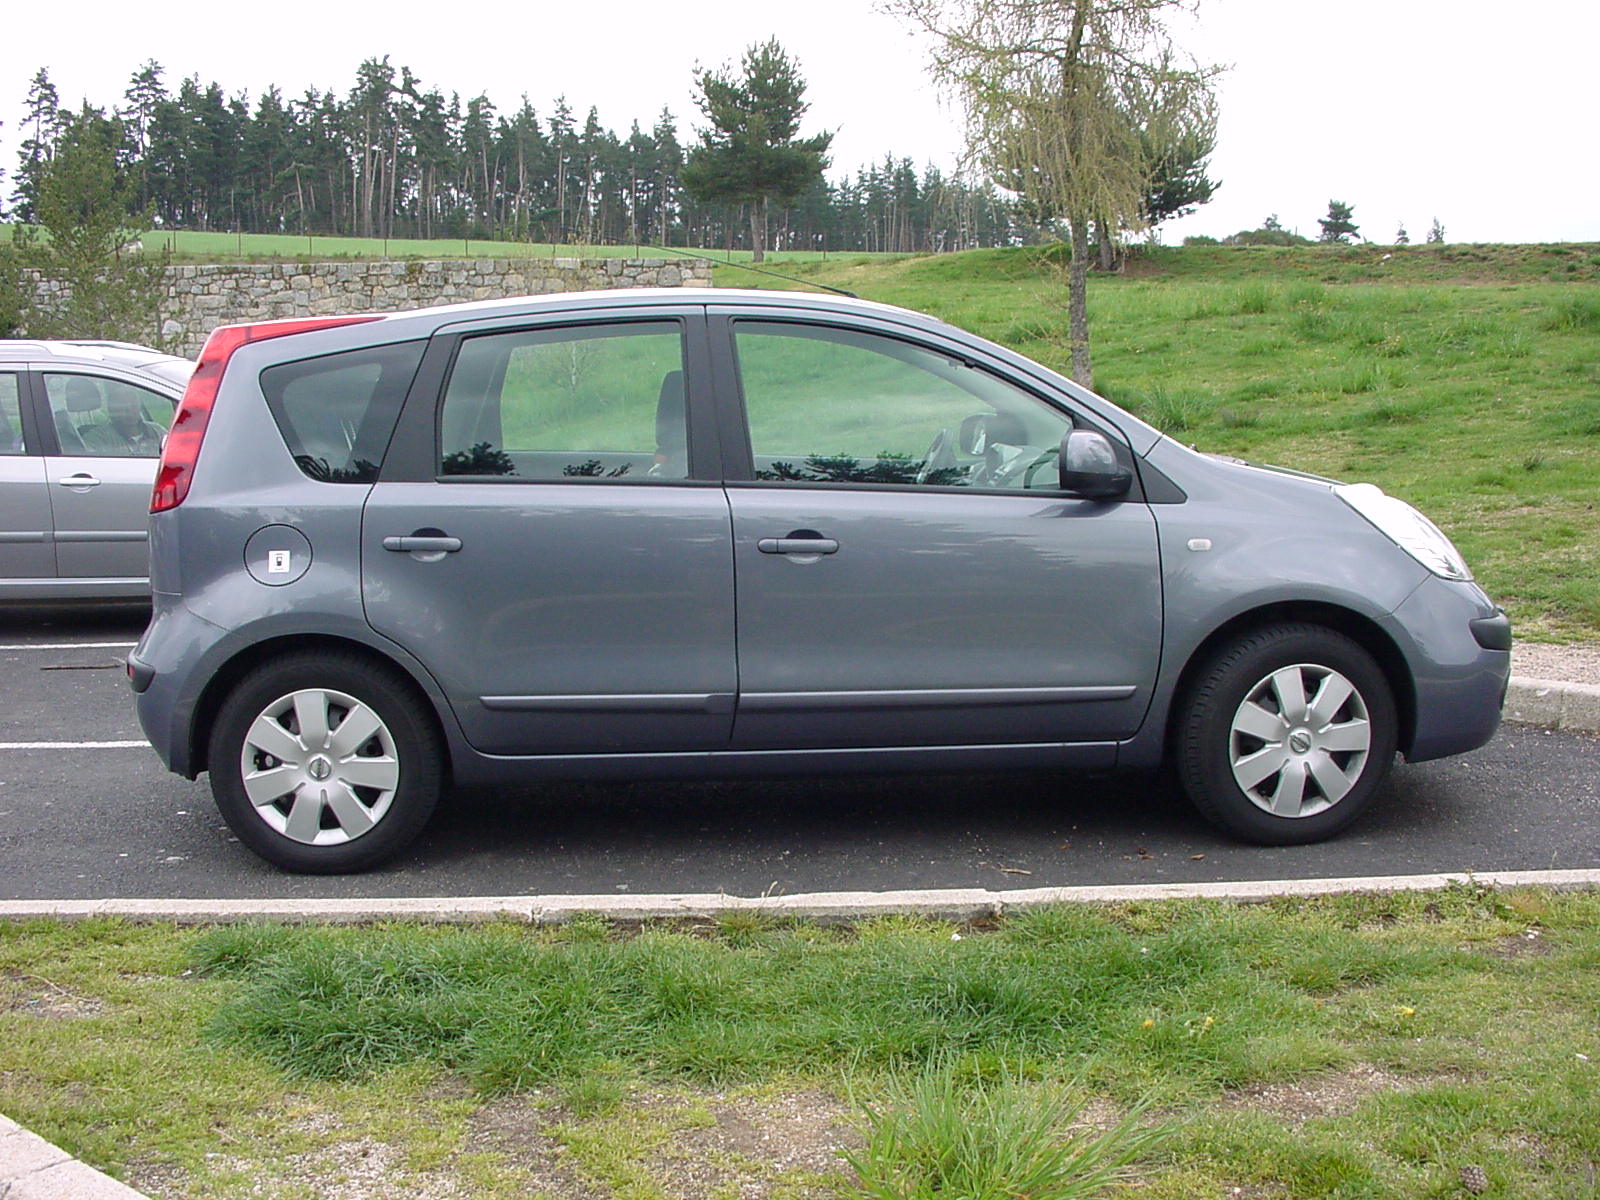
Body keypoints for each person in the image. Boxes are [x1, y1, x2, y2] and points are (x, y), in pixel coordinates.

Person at [82, 392, 166, 456]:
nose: (129, 411)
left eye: (133, 405)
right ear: (111, 410)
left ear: (139, 407)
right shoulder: (98, 437)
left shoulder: (157, 431)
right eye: (123, 407)